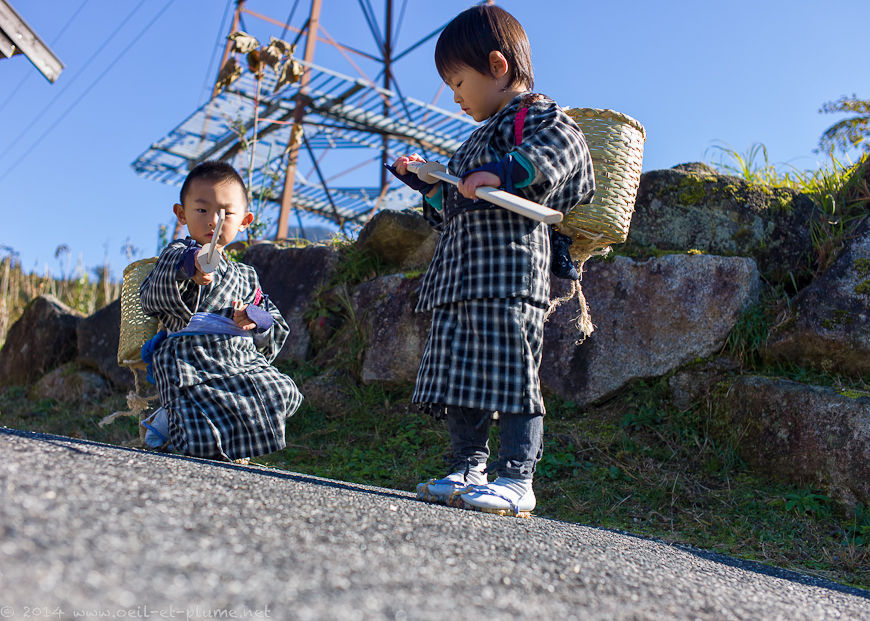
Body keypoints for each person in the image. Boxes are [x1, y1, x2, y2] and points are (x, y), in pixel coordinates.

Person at [388, 5, 595, 517]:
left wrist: (505, 170)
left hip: (509, 271)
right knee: (461, 373)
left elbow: (569, 149)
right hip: (460, 276)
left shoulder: (536, 116)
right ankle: (467, 465)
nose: (455, 97)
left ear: (498, 66)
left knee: (512, 371)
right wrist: (430, 185)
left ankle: (516, 477)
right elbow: (452, 209)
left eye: (459, 82)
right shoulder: (473, 139)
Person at [139, 161, 303, 462]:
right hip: (189, 357)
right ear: (181, 214)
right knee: (199, 436)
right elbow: (151, 295)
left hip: (236, 357)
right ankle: (167, 424)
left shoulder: (246, 275)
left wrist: (255, 318)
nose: (214, 220)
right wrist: (191, 267)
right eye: (202, 210)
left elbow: (274, 322)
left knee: (283, 392)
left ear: (244, 221)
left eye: (226, 213)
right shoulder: (176, 255)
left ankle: (199, 431)